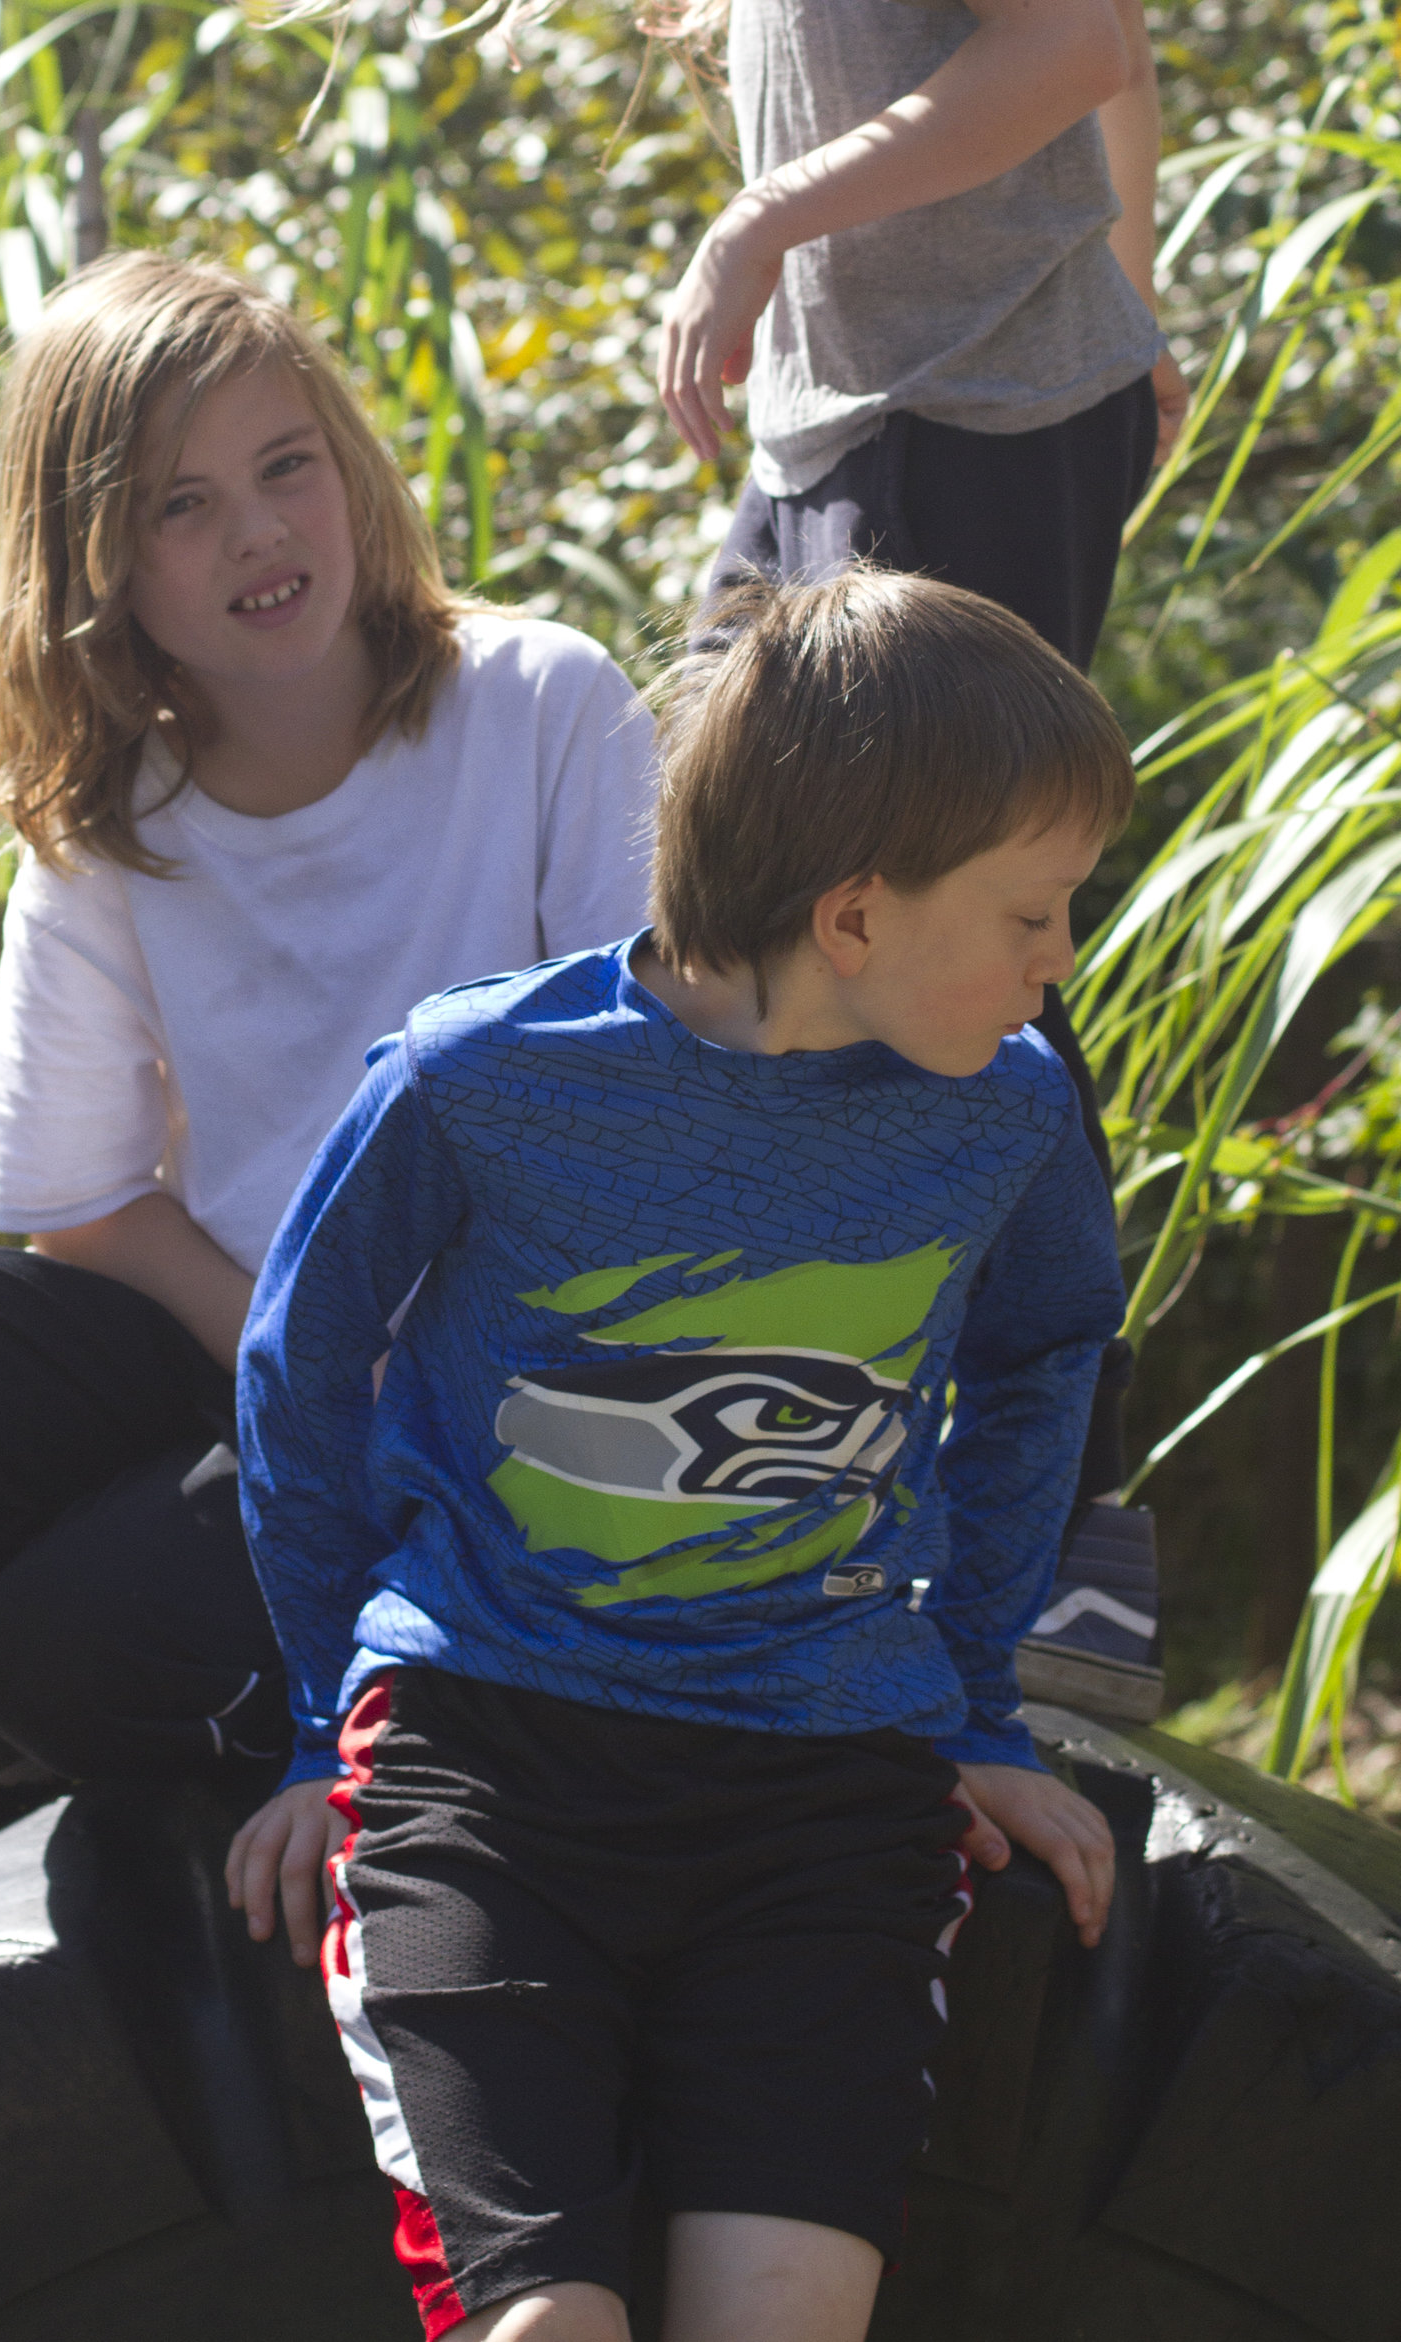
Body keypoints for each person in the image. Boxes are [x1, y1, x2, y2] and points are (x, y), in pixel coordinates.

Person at [328, 0, 1180, 1709]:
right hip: (878, 417)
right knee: (712, 892)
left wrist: (766, 223)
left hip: (954, 434)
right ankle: (741, 1447)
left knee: (947, 951)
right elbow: (1084, 20)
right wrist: (1124, 285)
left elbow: (1064, 18)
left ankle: (1047, 1547)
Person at [227, 567, 1129, 2342]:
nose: (1059, 959)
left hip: (822, 1786)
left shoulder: (1006, 1112)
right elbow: (300, 1358)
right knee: (550, 2327)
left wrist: (972, 1705)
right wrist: (323, 1709)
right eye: (1032, 910)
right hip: (492, 1762)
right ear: (857, 912)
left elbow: (1045, 1356)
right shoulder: (483, 1076)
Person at [0, 251, 656, 1870]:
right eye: (182, 505)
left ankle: (87, 1681)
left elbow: (647, 1111)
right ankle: (89, 1665)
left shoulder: (540, 704)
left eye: (286, 466)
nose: (260, 534)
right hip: (265, 1352)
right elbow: (78, 1207)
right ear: (99, 565)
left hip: (521, 1396)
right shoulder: (107, 827)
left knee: (75, 1644)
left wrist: (406, 1380)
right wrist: (304, 1358)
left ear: (348, 466)